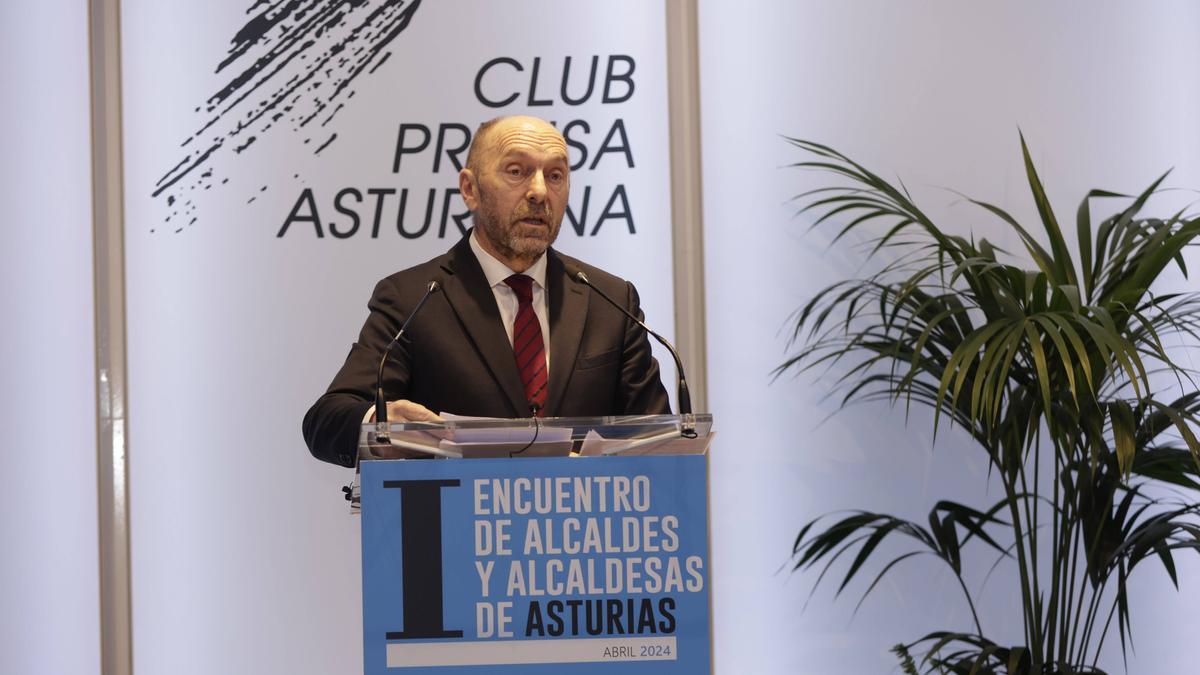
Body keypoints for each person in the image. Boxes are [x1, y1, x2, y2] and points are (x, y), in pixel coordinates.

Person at [303, 115, 670, 467]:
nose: (540, 191)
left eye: (555, 175)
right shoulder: (413, 298)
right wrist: (382, 421)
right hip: (458, 526)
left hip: (585, 526)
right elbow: (328, 419)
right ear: (470, 189)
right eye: (517, 171)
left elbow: (658, 442)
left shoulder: (609, 300)